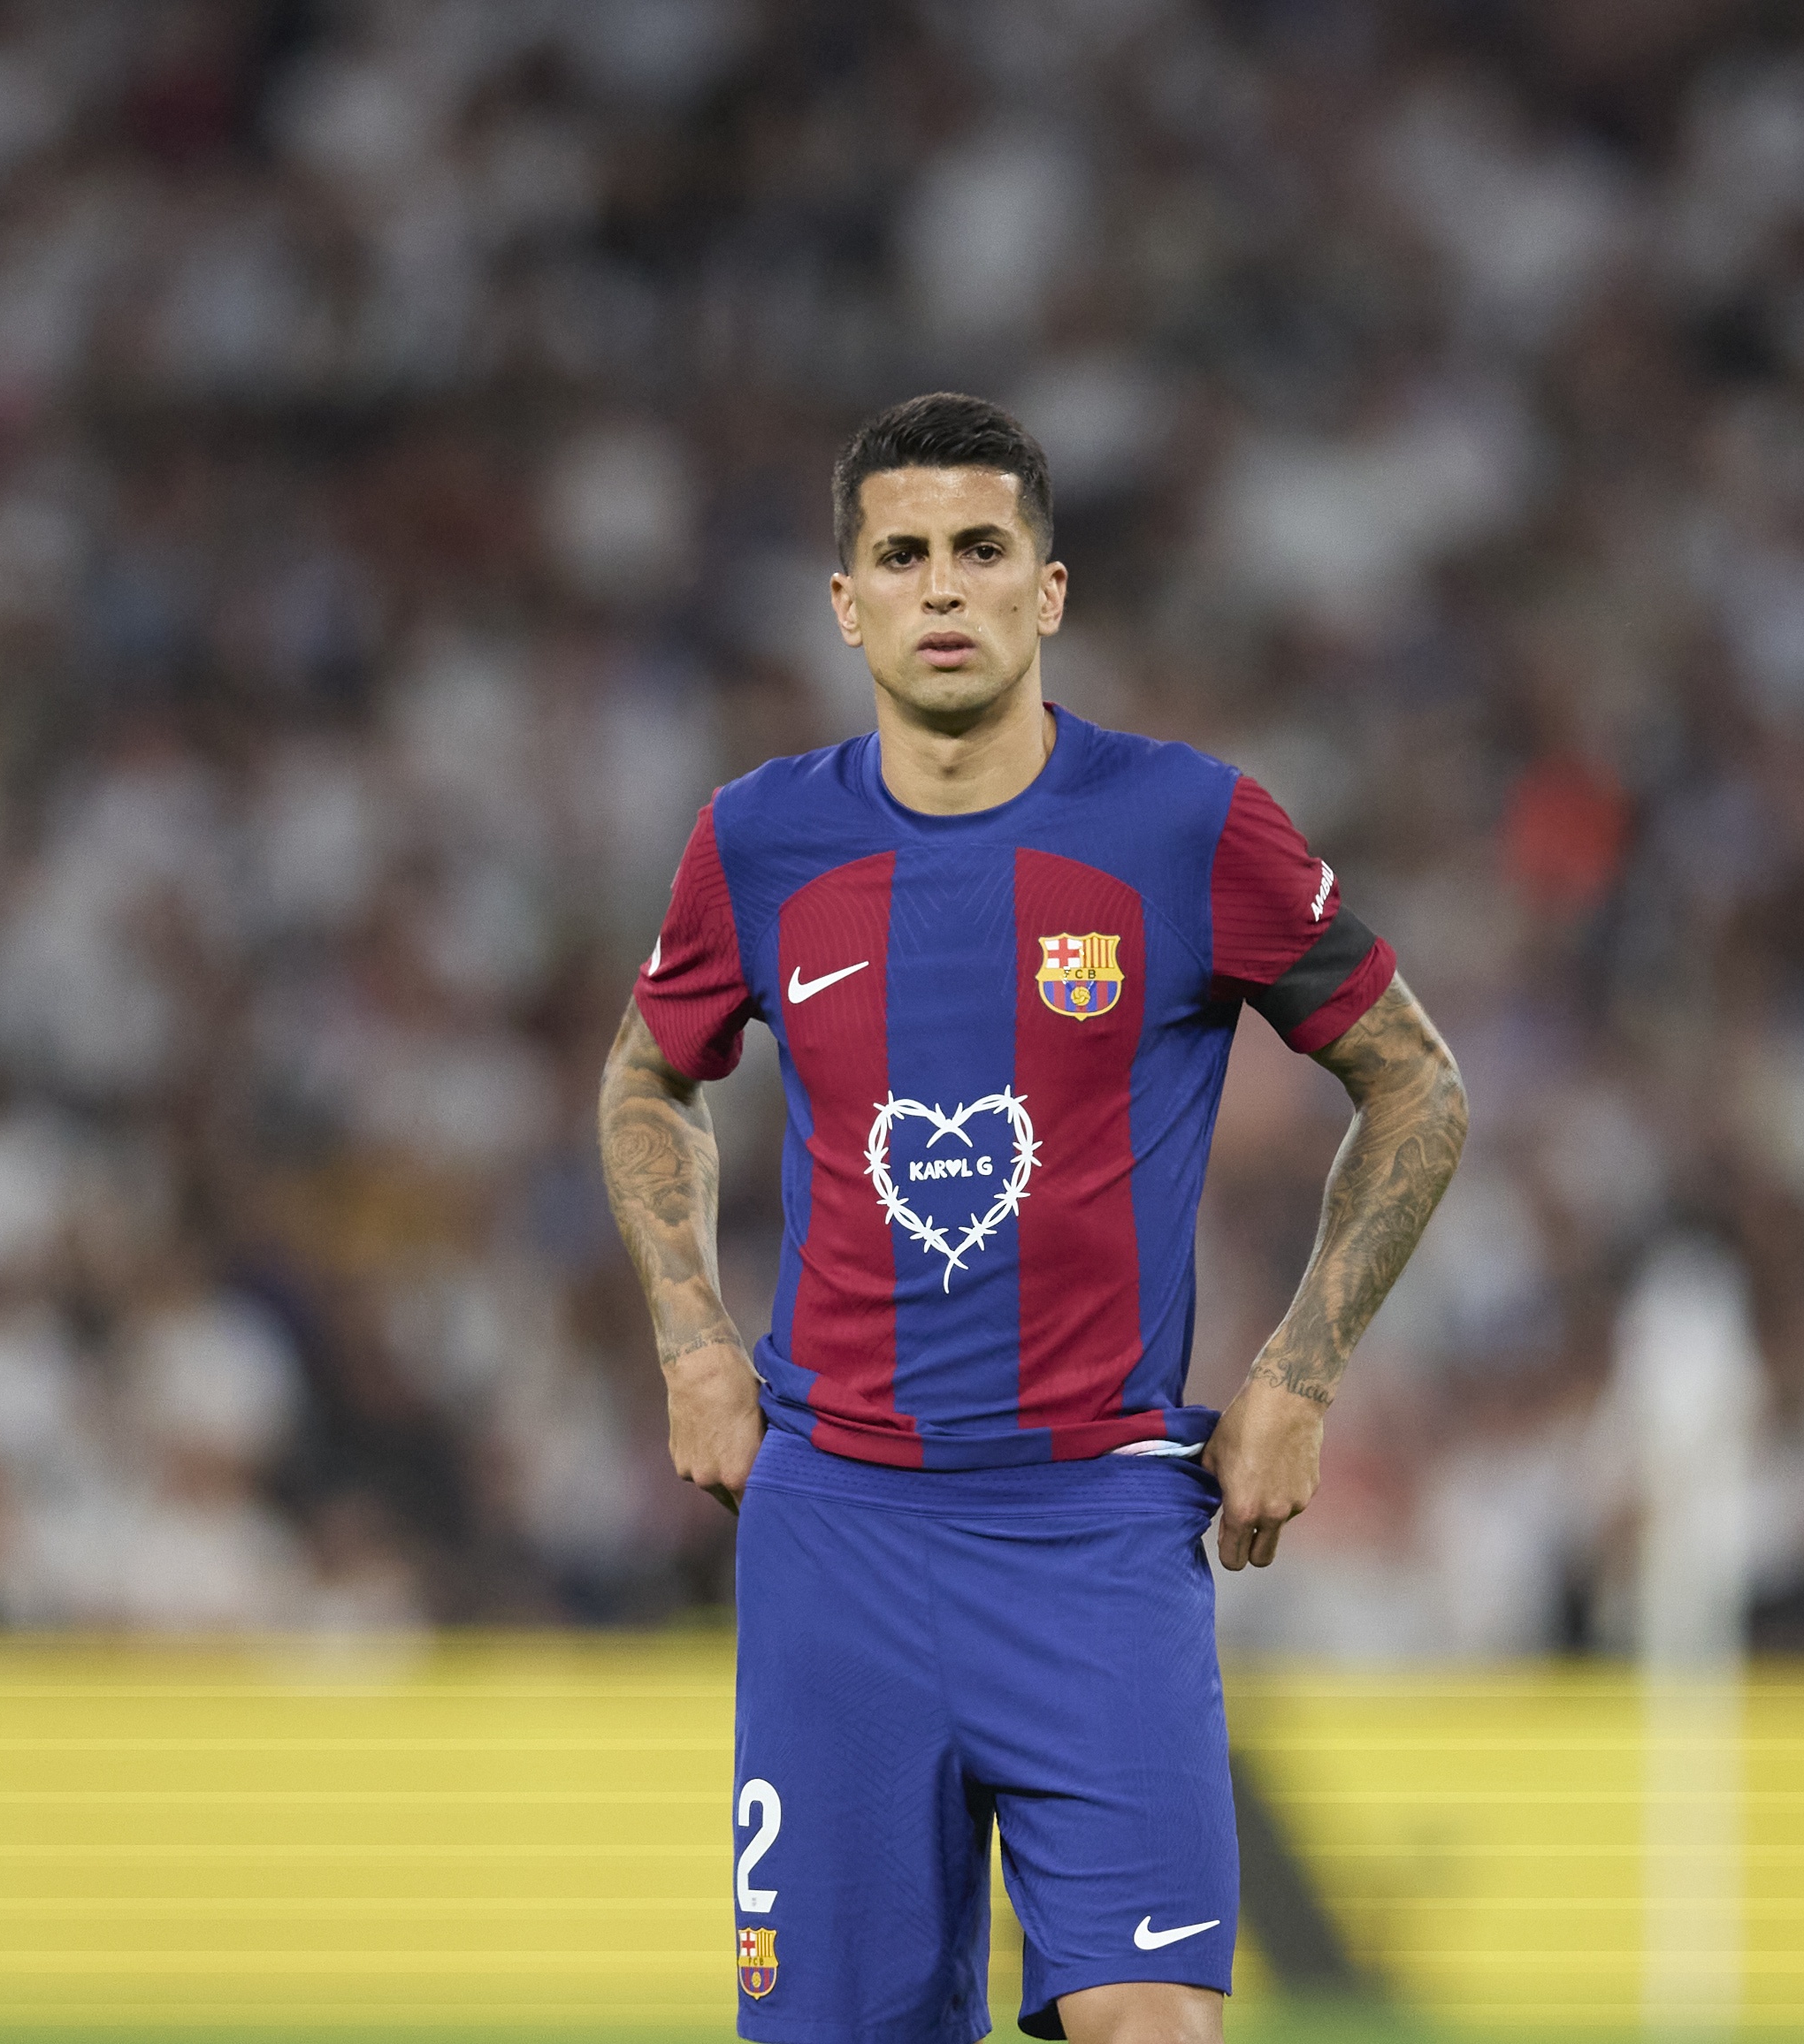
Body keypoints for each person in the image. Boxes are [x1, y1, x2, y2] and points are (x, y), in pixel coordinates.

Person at [599, 393, 1467, 2044]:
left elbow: (1417, 1083)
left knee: (1154, 2026)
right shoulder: (759, 840)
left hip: (1095, 1535)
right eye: (901, 556)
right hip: (839, 1533)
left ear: (1047, 589)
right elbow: (647, 1078)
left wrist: (1298, 1372)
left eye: (981, 549)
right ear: (843, 602)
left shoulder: (1188, 827)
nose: (942, 587)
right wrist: (691, 1338)